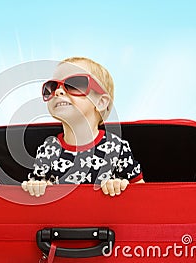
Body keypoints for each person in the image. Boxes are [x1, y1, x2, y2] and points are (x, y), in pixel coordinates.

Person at [21, 57, 144, 197]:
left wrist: (120, 185)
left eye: (74, 84)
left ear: (101, 102)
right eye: (52, 87)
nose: (58, 92)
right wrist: (37, 187)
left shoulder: (116, 147)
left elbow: (143, 193)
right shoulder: (48, 148)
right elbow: (32, 191)